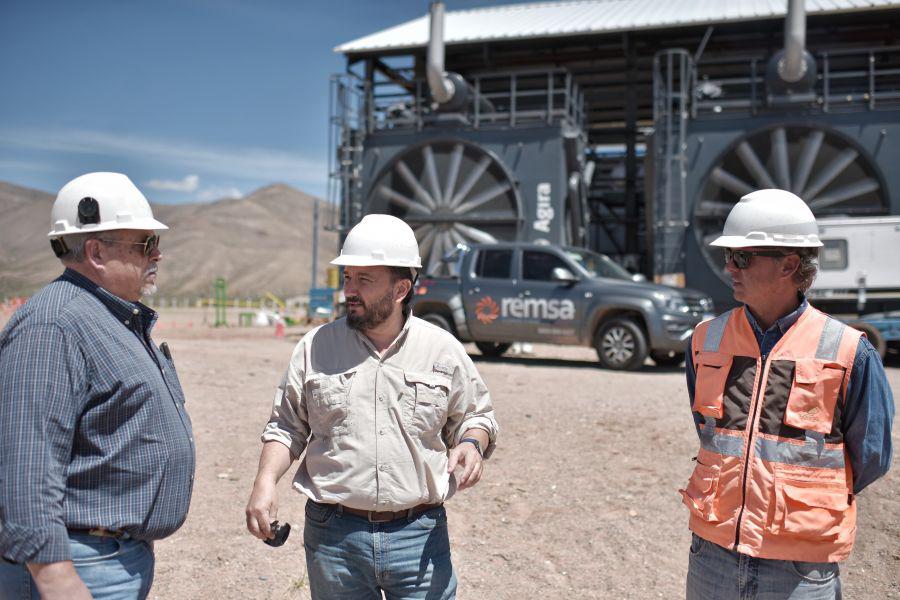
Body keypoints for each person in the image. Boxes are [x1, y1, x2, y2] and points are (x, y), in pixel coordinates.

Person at [245, 214, 499, 599]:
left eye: (365, 280)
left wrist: (471, 444)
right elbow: (286, 428)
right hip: (334, 538)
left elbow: (476, 416)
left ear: (401, 288)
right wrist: (264, 483)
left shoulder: (441, 349)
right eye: (348, 277)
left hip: (419, 538)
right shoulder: (315, 347)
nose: (350, 289)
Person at [680, 189, 894, 599]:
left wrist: (802, 500)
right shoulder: (707, 340)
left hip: (798, 570)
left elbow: (871, 457)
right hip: (712, 556)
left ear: (790, 265)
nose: (728, 267)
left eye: (742, 257)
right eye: (729, 256)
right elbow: (711, 433)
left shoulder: (848, 351)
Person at [0, 172, 195, 599]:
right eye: (145, 243)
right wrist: (55, 578)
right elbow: (25, 462)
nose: (157, 253)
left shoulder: (108, 316)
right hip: (78, 564)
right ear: (95, 251)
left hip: (108, 558)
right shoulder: (54, 325)